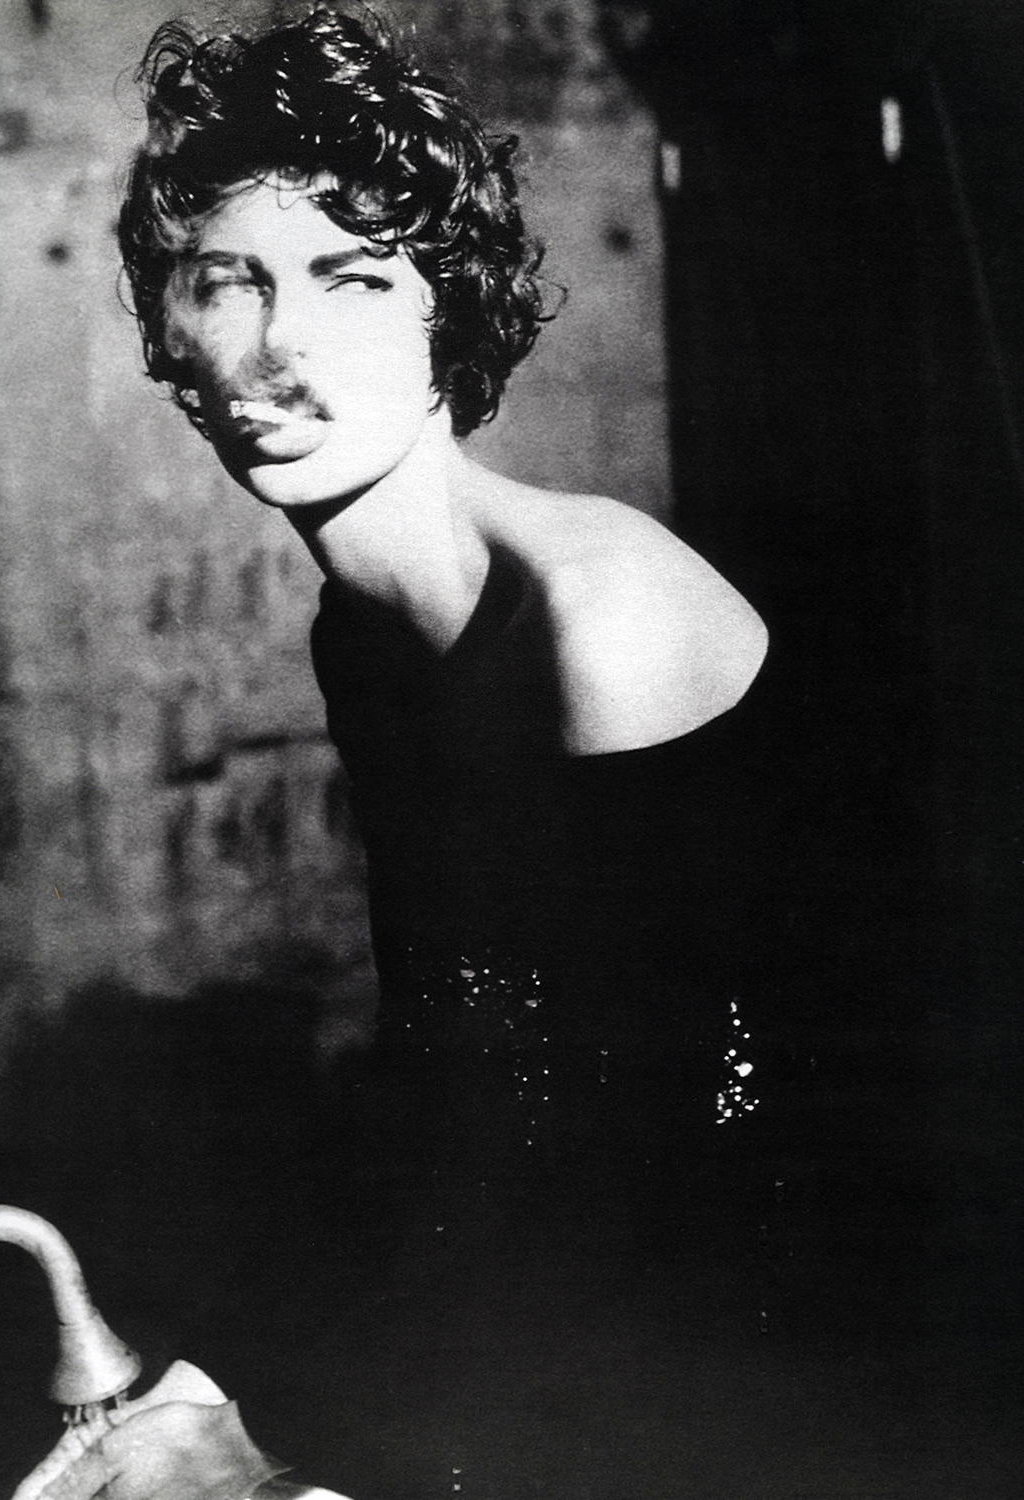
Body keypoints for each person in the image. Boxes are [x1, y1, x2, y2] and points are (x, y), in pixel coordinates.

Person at [39, 5, 770, 1495]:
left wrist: (290, 1436)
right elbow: (456, 1078)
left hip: (780, 1316)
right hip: (581, 1291)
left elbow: (658, 1168)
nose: (280, 345)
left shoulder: (595, 617)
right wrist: (220, 1376)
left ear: (453, 320)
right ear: (169, 334)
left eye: (355, 279)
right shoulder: (366, 633)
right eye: (228, 281)